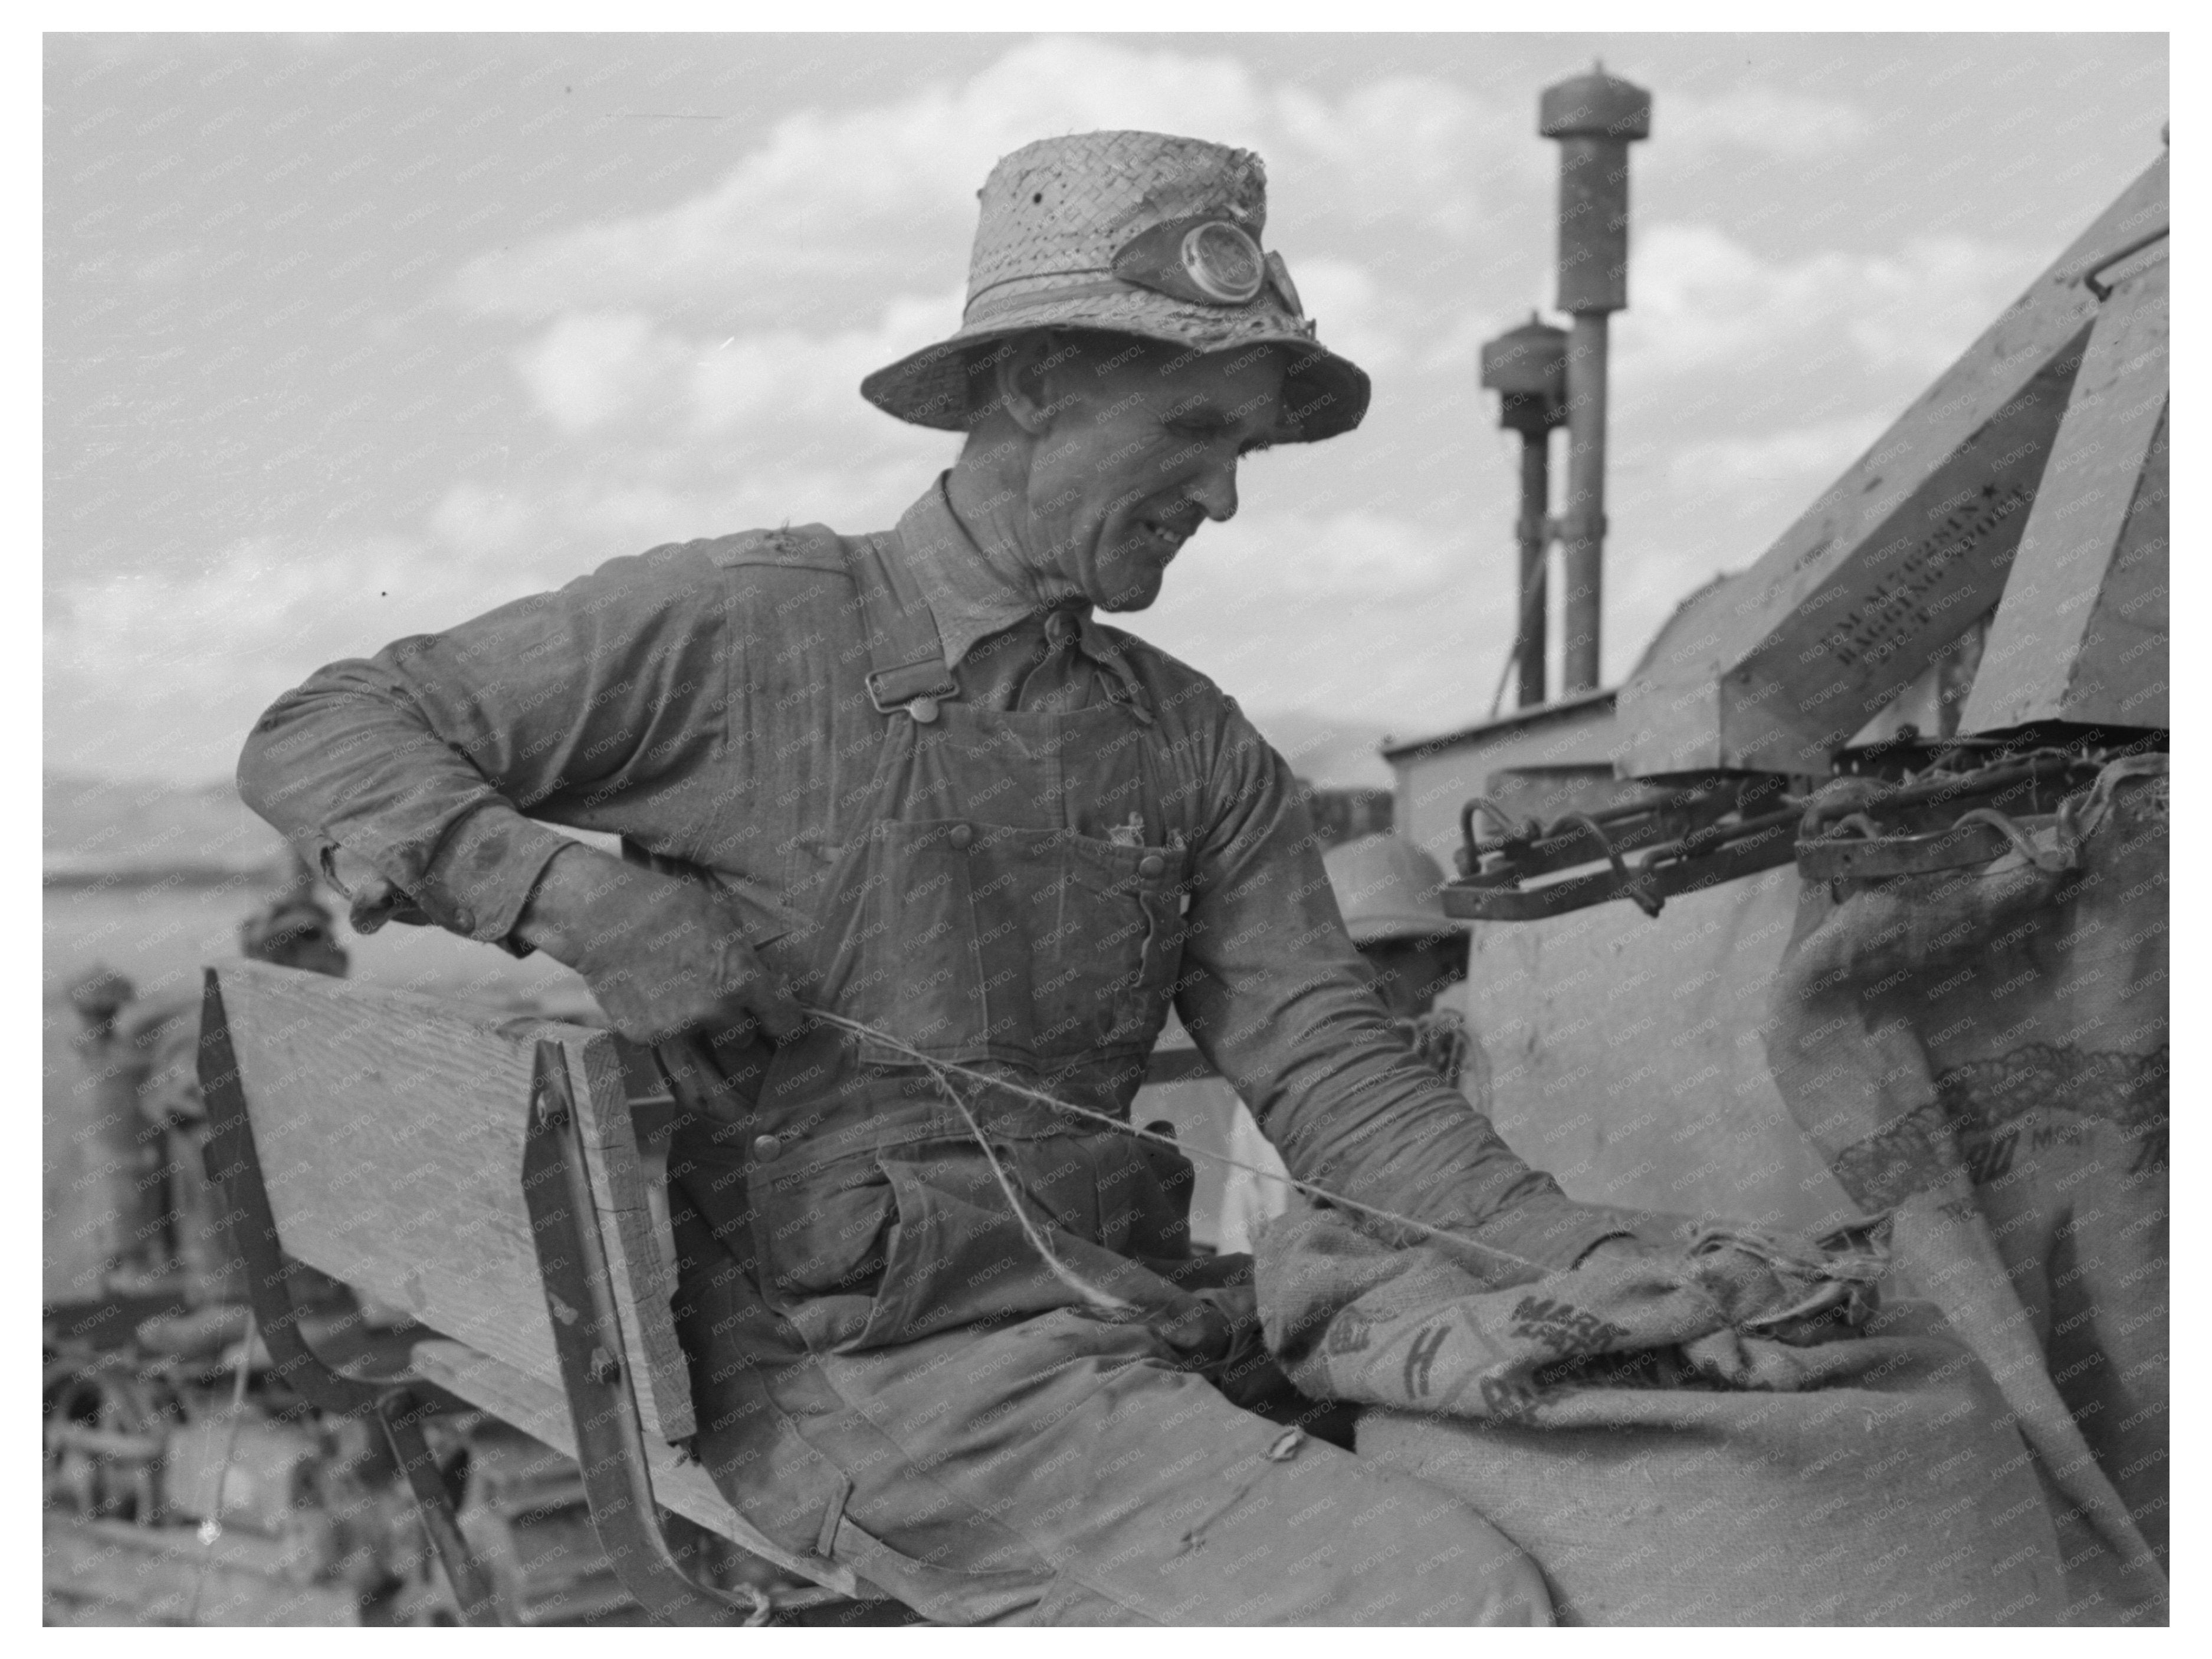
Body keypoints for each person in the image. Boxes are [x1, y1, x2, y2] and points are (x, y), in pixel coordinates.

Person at [237, 130, 1790, 1625]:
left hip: (1119, 1316)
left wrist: (1574, 1247)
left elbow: (1337, 1081)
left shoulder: (1189, 741)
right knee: (1443, 1602)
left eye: (1241, 449)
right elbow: (325, 730)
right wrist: (580, 901)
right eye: (1193, 430)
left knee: (1663, 1486)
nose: (1226, 497)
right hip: (861, 1379)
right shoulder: (744, 626)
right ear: (1038, 385)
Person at [1213, 834, 1486, 1255]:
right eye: (1352, 951)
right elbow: (1241, 1252)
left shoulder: (1480, 1073)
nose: (1372, 971)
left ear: (1446, 961)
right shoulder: (1273, 1090)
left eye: (1397, 948)